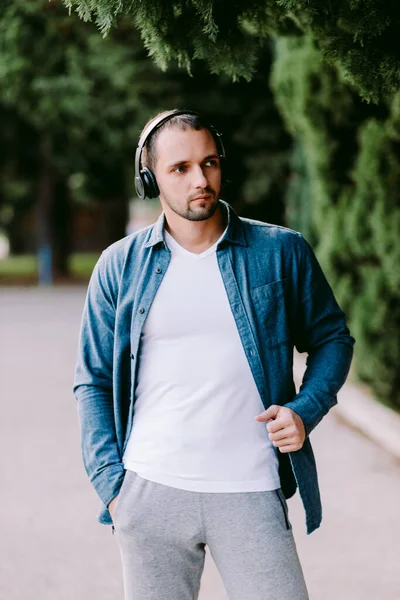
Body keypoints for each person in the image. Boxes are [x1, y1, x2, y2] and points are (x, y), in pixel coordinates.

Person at [73, 109, 355, 600]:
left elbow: (333, 337)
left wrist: (305, 409)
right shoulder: (119, 266)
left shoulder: (280, 251)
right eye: (179, 168)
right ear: (150, 178)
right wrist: (113, 489)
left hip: (250, 487)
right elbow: (92, 380)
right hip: (150, 491)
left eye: (209, 163)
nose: (199, 180)